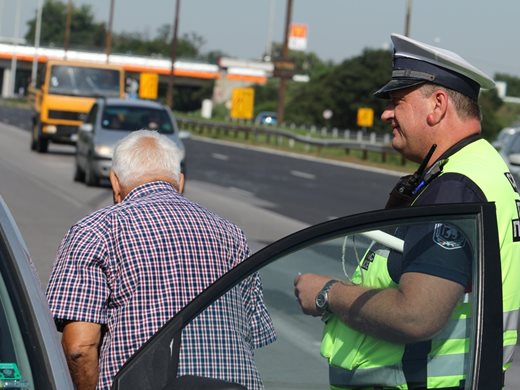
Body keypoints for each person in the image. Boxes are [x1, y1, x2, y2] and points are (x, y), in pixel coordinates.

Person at [294, 33, 520, 389]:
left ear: (438, 105)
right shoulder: (485, 168)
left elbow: (417, 315)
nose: (386, 113)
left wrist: (329, 293)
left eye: (397, 101)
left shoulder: (455, 187)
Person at [46, 130, 276, 390]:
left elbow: (80, 347)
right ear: (180, 182)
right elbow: (251, 335)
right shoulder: (232, 234)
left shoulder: (97, 231)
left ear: (115, 182)